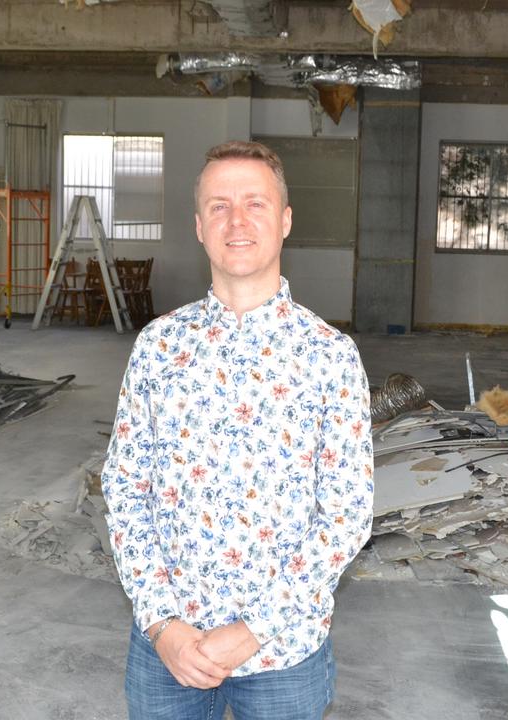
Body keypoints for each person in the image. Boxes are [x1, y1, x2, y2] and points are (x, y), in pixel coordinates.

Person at [101, 140, 375, 720]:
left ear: (285, 219)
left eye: (255, 202)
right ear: (199, 226)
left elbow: (347, 512)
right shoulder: (159, 348)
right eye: (219, 206)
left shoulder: (330, 356)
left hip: (284, 653)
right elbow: (126, 490)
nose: (238, 220)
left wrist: (256, 627)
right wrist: (162, 623)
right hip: (167, 651)